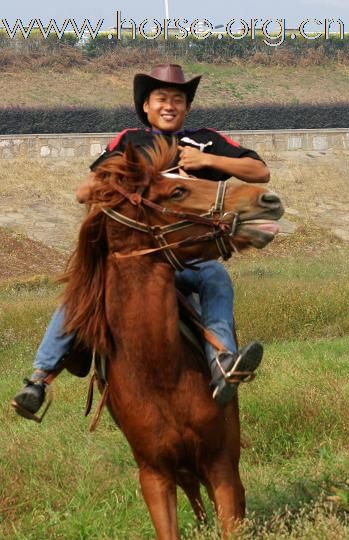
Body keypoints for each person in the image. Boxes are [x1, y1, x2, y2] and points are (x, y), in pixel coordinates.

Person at [12, 63, 270, 420]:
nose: (169, 106)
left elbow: (260, 172)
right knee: (81, 289)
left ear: (187, 108)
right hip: (133, 260)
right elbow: (85, 190)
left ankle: (223, 363)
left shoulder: (207, 140)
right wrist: (135, 181)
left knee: (215, 277)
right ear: (145, 106)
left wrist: (206, 160)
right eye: (161, 98)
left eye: (177, 99)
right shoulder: (130, 142)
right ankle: (39, 380)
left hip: (187, 259)